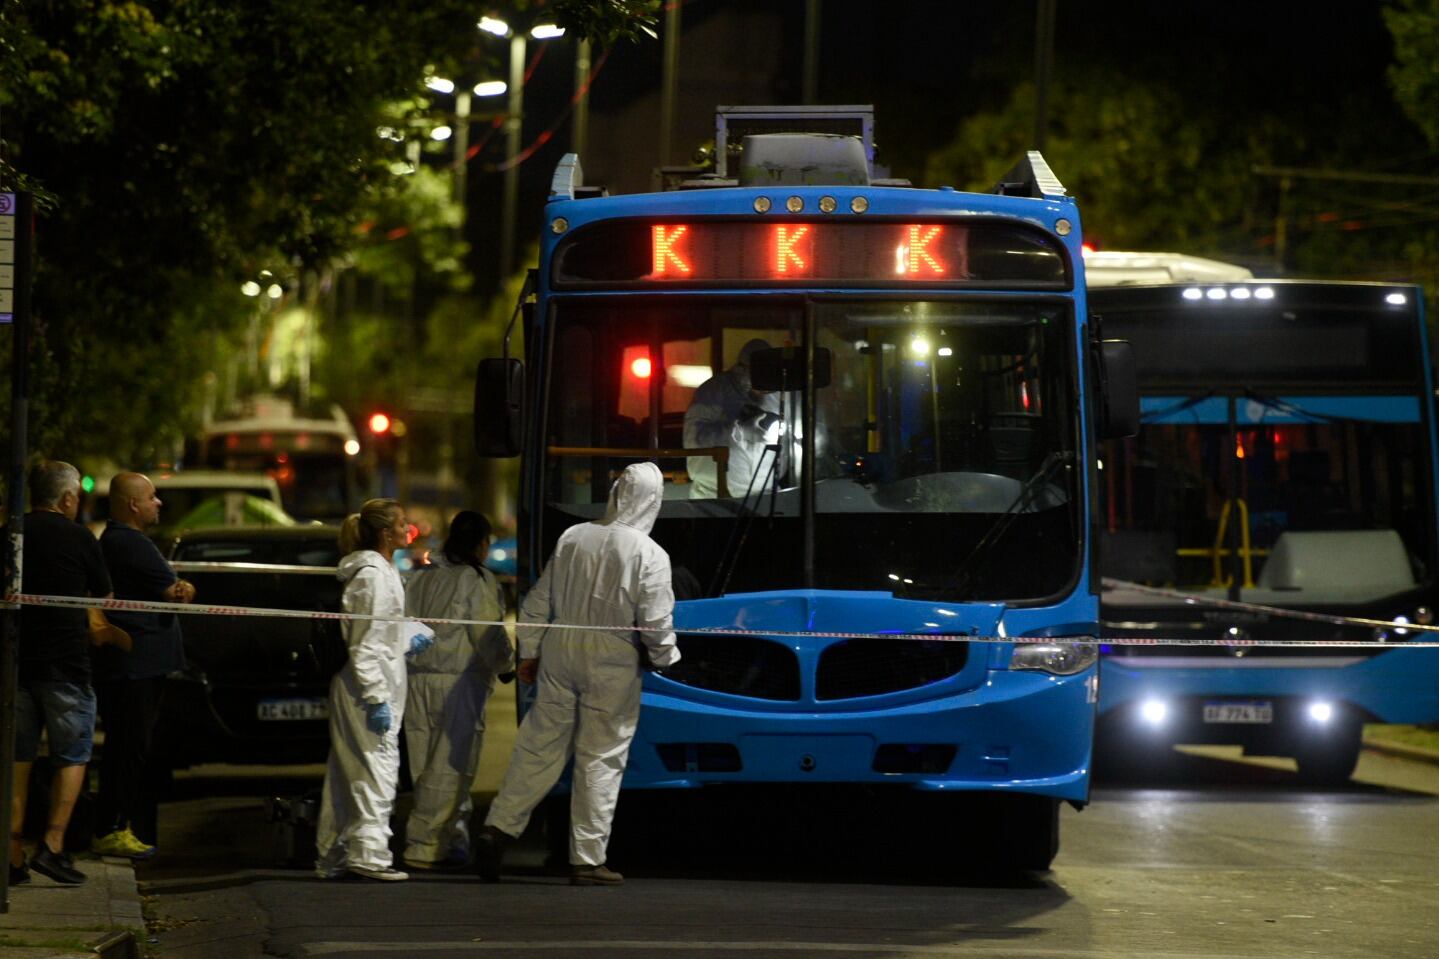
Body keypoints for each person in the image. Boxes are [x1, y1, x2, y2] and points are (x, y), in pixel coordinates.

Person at [475, 462, 679, 886]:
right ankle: (586, 860)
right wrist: (666, 657)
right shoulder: (651, 554)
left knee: (538, 747)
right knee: (600, 757)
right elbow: (656, 622)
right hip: (613, 658)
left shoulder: (574, 536)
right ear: (653, 501)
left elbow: (537, 602)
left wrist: (530, 652)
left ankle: (497, 829)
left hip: (561, 650)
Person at [315, 498, 435, 882]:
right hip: (366, 690)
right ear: (385, 533)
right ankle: (368, 855)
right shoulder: (372, 577)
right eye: (401, 524)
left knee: (347, 773)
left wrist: (407, 636)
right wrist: (376, 697)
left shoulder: (381, 572)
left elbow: (379, 633)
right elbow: (365, 644)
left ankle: (333, 853)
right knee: (376, 770)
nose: (408, 529)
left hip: (369, 684)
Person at [9, 461, 112, 886]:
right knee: (72, 755)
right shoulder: (79, 536)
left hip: (16, 665)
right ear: (68, 498)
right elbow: (103, 592)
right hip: (66, 665)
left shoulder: (11, 533)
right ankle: (52, 847)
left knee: (18, 758)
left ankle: (12, 853)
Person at [401, 510, 512, 871]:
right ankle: (426, 845)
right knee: (451, 767)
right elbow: (486, 633)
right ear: (481, 543)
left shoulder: (421, 577)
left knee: (424, 766)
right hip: (458, 682)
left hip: (417, 680)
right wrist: (507, 665)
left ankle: (451, 840)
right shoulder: (475, 579)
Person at [93, 471, 196, 860]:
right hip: (136, 666)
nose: (159, 503)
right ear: (133, 504)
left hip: (133, 663)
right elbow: (174, 593)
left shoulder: (120, 541)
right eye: (152, 497)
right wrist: (183, 589)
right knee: (129, 747)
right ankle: (113, 827)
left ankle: (116, 825)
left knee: (126, 745)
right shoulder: (132, 543)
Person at [683, 338, 784, 498]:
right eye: (760, 373)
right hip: (714, 495)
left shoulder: (777, 396)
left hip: (766, 496)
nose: (764, 385)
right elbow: (694, 441)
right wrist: (740, 431)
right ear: (744, 369)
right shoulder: (713, 391)